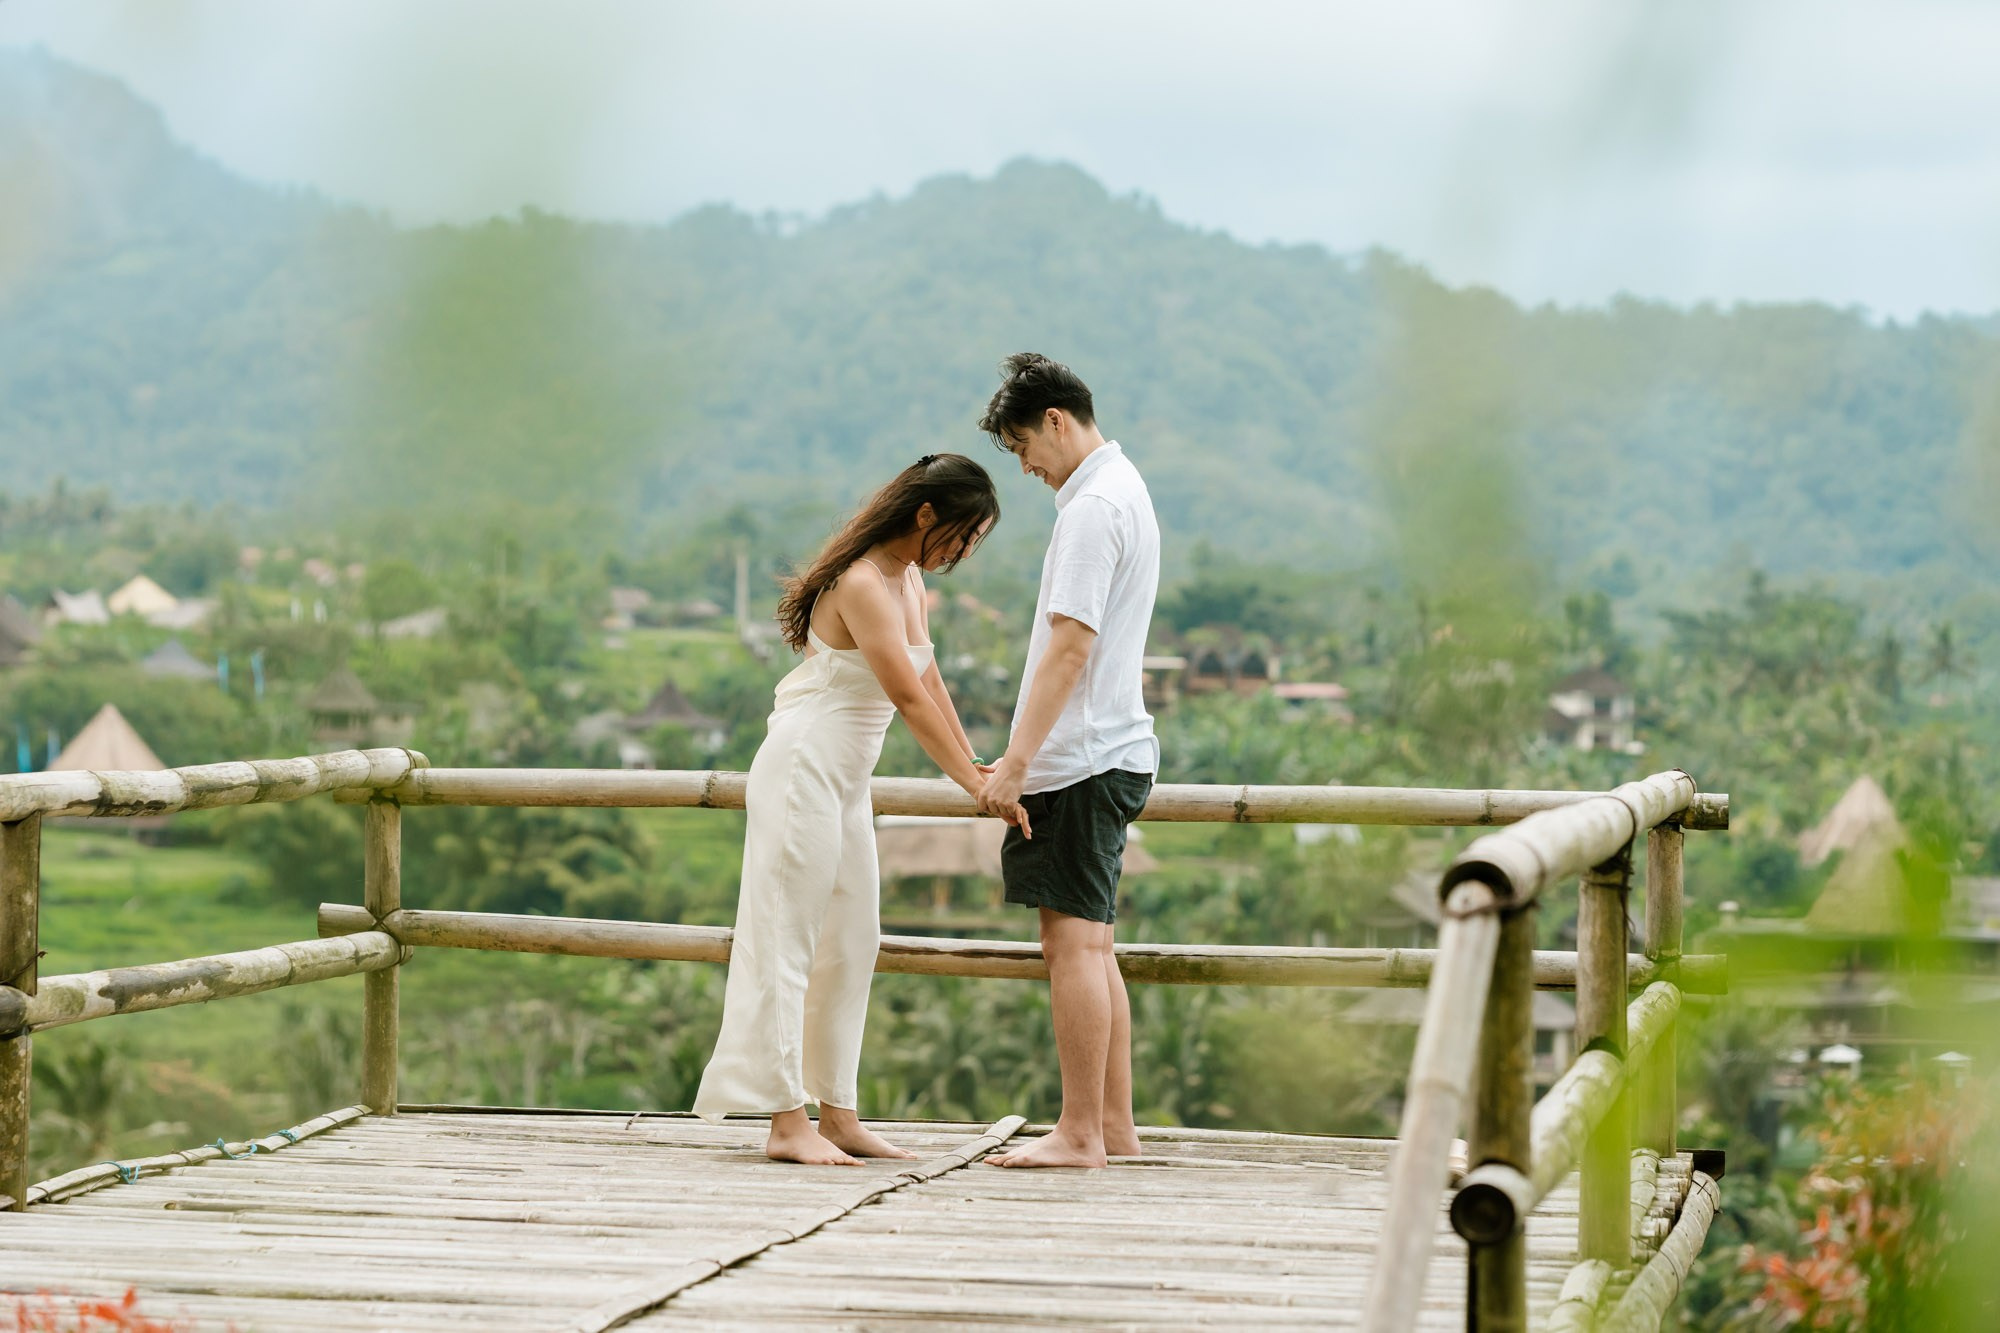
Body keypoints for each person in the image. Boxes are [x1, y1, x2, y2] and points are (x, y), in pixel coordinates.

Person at [694, 454, 1001, 1165]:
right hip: (804, 767)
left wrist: (975, 761)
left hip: (846, 781)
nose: (960, 552)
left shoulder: (909, 577)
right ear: (924, 514)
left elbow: (931, 678)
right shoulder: (862, 580)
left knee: (852, 939)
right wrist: (972, 787)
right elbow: (907, 696)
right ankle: (785, 1120)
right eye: (959, 534)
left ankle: (838, 1111)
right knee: (787, 937)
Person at [973, 354, 1161, 1169]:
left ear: (1057, 420)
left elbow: (1069, 644)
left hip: (1080, 757)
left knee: (1074, 948)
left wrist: (1014, 761)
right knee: (1092, 945)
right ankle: (1111, 1125)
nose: (1024, 466)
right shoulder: (1127, 490)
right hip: (1108, 748)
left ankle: (1080, 1130)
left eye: (1023, 446)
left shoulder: (1090, 508)